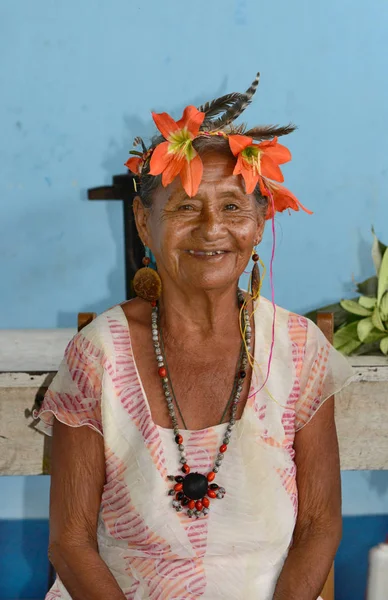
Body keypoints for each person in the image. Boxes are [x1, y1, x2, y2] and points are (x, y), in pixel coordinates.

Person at [34, 72, 354, 600]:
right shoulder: (100, 352)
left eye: (232, 206)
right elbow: (69, 542)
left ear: (259, 224)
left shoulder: (296, 349)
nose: (211, 228)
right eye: (184, 207)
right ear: (144, 223)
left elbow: (320, 524)